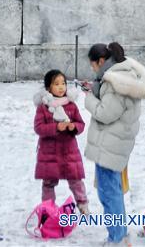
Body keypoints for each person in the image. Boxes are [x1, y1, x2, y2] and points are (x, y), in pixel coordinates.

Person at [84, 42, 145, 246]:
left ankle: (117, 237)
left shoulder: (114, 82)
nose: (93, 69)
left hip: (110, 145)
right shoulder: (125, 75)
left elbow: (104, 113)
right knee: (113, 190)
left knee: (109, 194)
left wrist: (88, 98)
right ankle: (120, 233)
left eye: (93, 65)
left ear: (100, 61)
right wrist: (95, 89)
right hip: (117, 143)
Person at [33, 69, 88, 212]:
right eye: (56, 84)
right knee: (49, 182)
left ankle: (83, 204)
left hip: (69, 151)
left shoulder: (71, 105)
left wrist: (73, 126)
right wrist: (56, 127)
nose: (61, 87)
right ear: (48, 88)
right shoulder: (43, 107)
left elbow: (80, 124)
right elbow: (39, 128)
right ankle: (48, 208)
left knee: (76, 180)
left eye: (63, 83)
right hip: (49, 152)